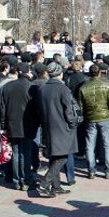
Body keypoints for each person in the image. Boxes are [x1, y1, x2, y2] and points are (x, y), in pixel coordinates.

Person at [36, 62, 78, 197]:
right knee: (62, 157)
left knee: (55, 156)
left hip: (48, 125)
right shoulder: (63, 88)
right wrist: (72, 122)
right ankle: (45, 183)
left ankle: (56, 186)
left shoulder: (43, 88)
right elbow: (68, 109)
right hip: (62, 126)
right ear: (60, 73)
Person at [0, 62, 37, 190]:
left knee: (16, 153)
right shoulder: (32, 87)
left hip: (12, 124)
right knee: (25, 153)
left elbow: (2, 108)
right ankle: (26, 179)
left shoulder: (7, 87)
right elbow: (35, 109)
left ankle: (17, 180)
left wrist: (3, 125)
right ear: (27, 72)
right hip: (27, 125)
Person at [79, 64, 109, 179]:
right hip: (104, 117)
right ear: (100, 72)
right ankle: (108, 169)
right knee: (107, 144)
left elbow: (81, 106)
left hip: (91, 118)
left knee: (90, 145)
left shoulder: (83, 87)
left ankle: (91, 170)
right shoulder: (107, 85)